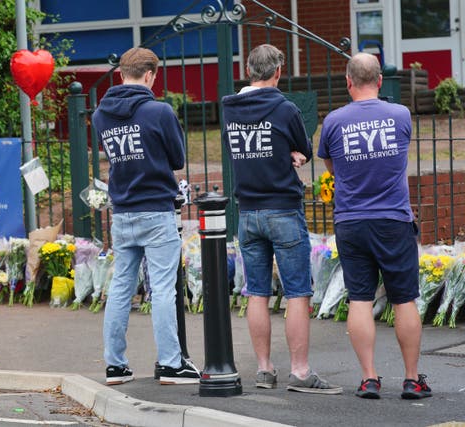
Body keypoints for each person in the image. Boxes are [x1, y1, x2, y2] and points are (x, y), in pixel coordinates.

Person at [221, 43, 342, 395]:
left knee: (256, 292)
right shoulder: (283, 107)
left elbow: (236, 150)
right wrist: (289, 152)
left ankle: (263, 369)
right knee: (297, 293)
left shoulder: (229, 108)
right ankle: (301, 371)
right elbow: (303, 146)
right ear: (277, 72)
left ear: (248, 71)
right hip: (283, 209)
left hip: (248, 212)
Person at [318, 52, 431, 400]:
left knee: (360, 299)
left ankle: (369, 378)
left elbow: (331, 167)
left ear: (348, 82)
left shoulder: (333, 122)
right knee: (405, 298)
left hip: (352, 221)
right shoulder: (400, 115)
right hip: (393, 219)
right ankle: (412, 379)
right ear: (380, 81)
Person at [91, 47, 200, 386]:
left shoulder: (100, 115)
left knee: (121, 287)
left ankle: (116, 366)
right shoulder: (159, 111)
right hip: (155, 208)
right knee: (164, 289)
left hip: (122, 212)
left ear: (122, 73)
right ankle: (170, 364)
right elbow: (177, 158)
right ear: (150, 75)